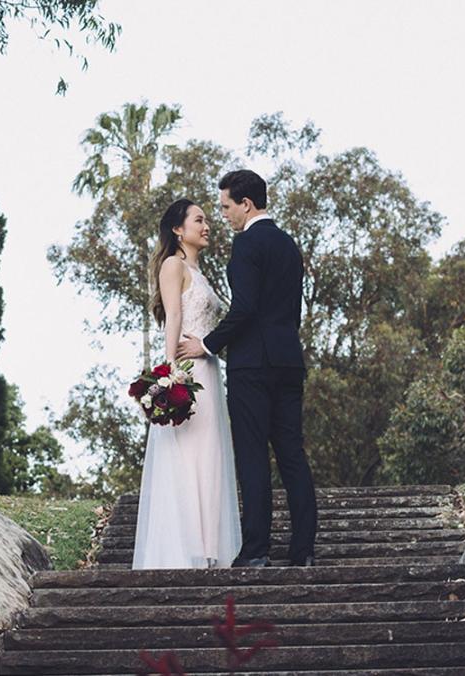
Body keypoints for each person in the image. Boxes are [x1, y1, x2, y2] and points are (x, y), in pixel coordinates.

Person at [178, 170, 318, 567]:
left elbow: (245, 309)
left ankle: (256, 550)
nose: (223, 214)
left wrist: (206, 345)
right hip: (289, 361)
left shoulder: (246, 245)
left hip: (252, 366)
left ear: (246, 204)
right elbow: (293, 311)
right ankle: (303, 551)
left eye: (225, 206)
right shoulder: (289, 246)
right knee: (292, 454)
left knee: (253, 456)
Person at [132, 198, 242, 569]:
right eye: (199, 220)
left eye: (208, 219)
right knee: (187, 453)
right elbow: (174, 317)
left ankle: (209, 547)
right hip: (188, 371)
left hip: (209, 369)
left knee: (209, 455)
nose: (207, 225)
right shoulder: (172, 265)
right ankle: (182, 549)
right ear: (178, 229)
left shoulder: (202, 272)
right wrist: (169, 373)